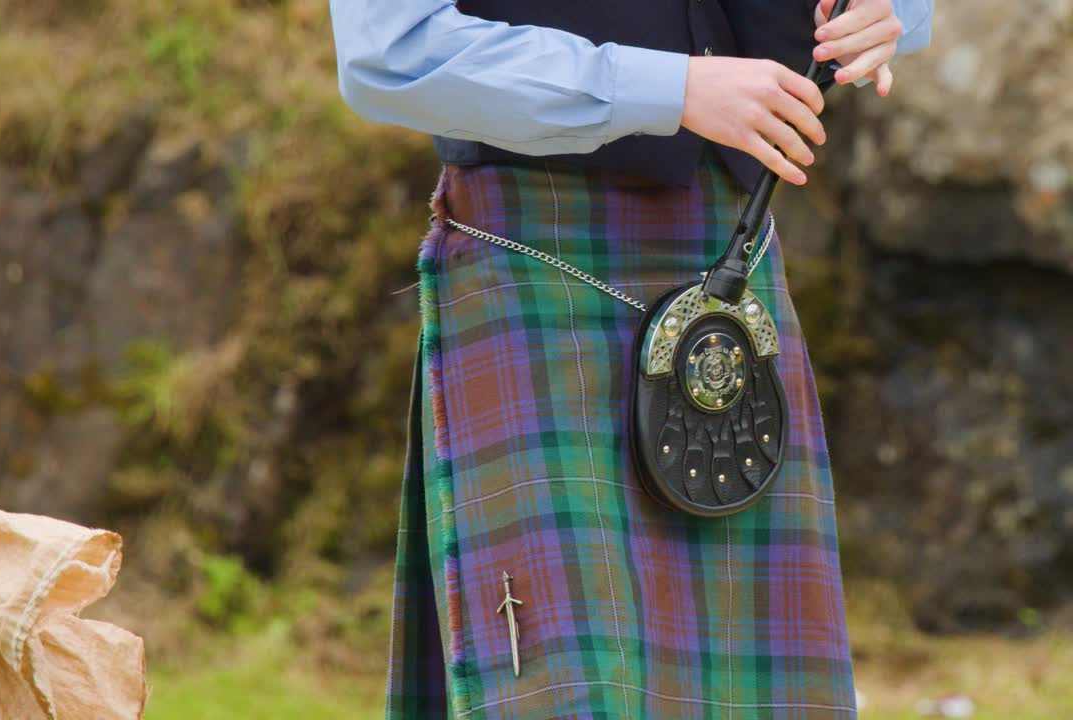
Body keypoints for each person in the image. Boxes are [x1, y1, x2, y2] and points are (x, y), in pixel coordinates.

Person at [328, 1, 934, 718]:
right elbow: (389, 51)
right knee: (562, 696)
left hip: (731, 259)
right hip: (535, 255)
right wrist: (672, 89)